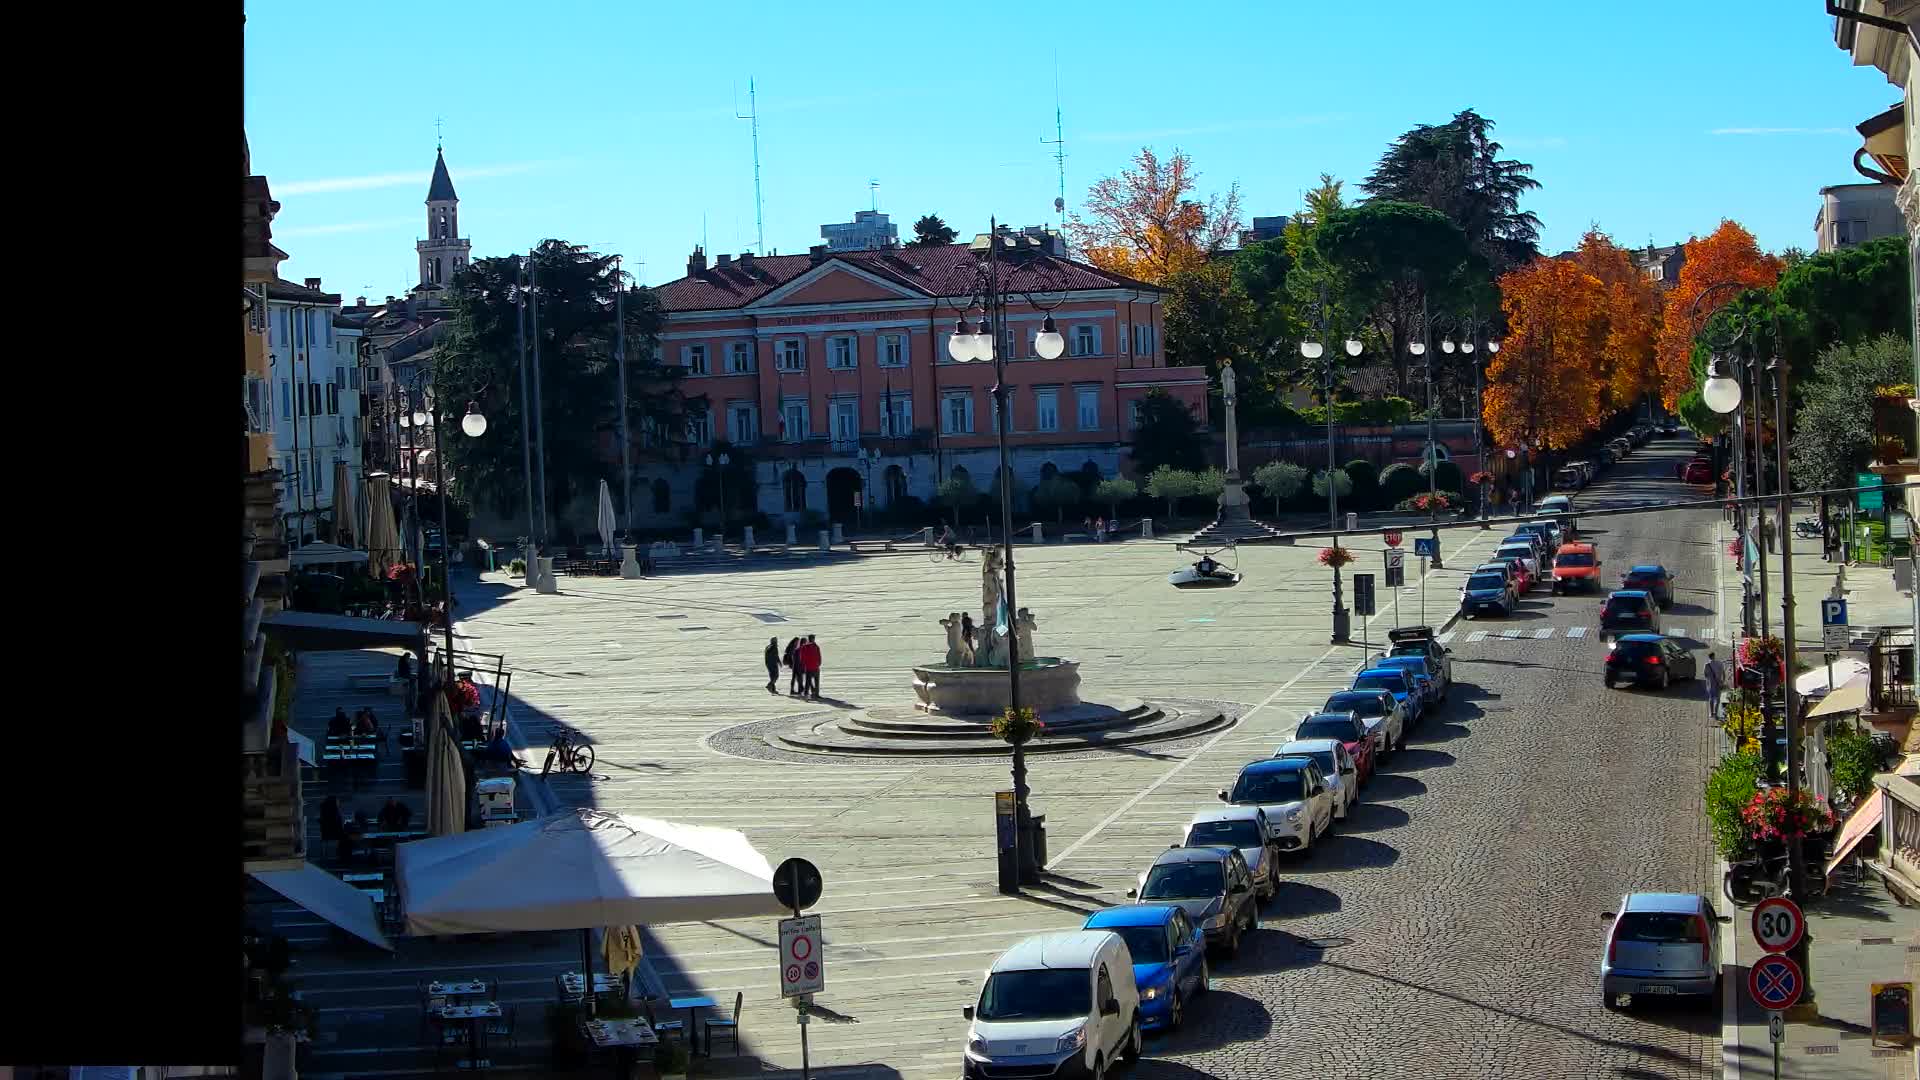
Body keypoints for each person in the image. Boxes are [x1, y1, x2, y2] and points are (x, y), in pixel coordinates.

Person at [1703, 652, 1724, 723]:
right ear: (1714, 656)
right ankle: (1716, 713)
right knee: (1717, 699)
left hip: (1711, 684)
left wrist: (1709, 678)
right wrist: (1722, 681)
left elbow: (1705, 675)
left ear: (1709, 657)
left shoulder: (1707, 665)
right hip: (1718, 683)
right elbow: (1724, 674)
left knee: (1711, 698)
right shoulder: (1720, 663)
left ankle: (1711, 713)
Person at [800, 634, 822, 700]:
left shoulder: (805, 646)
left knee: (808, 681)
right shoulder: (815, 646)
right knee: (816, 681)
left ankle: (807, 694)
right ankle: (816, 694)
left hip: (809, 667)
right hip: (815, 666)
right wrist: (819, 663)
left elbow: (802, 657)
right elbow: (819, 656)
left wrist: (803, 665)